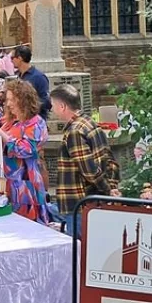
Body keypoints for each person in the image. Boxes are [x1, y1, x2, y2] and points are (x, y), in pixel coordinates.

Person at [49, 85, 120, 234]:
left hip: (79, 202)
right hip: (92, 200)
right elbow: (108, 158)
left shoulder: (75, 131)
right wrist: (111, 186)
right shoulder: (89, 122)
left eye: (53, 105)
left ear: (62, 106)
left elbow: (89, 170)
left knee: (80, 251)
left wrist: (108, 190)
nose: (51, 109)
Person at [0, 79, 49, 223]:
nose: (8, 103)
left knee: (26, 223)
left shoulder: (36, 123)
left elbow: (26, 150)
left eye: (12, 99)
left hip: (25, 183)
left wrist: (2, 135)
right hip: (7, 182)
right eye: (7, 99)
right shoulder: (11, 120)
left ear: (23, 100)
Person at [11, 45, 51, 119]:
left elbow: (47, 102)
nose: (11, 61)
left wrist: (29, 106)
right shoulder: (19, 76)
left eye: (12, 58)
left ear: (20, 58)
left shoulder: (39, 77)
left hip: (36, 121)